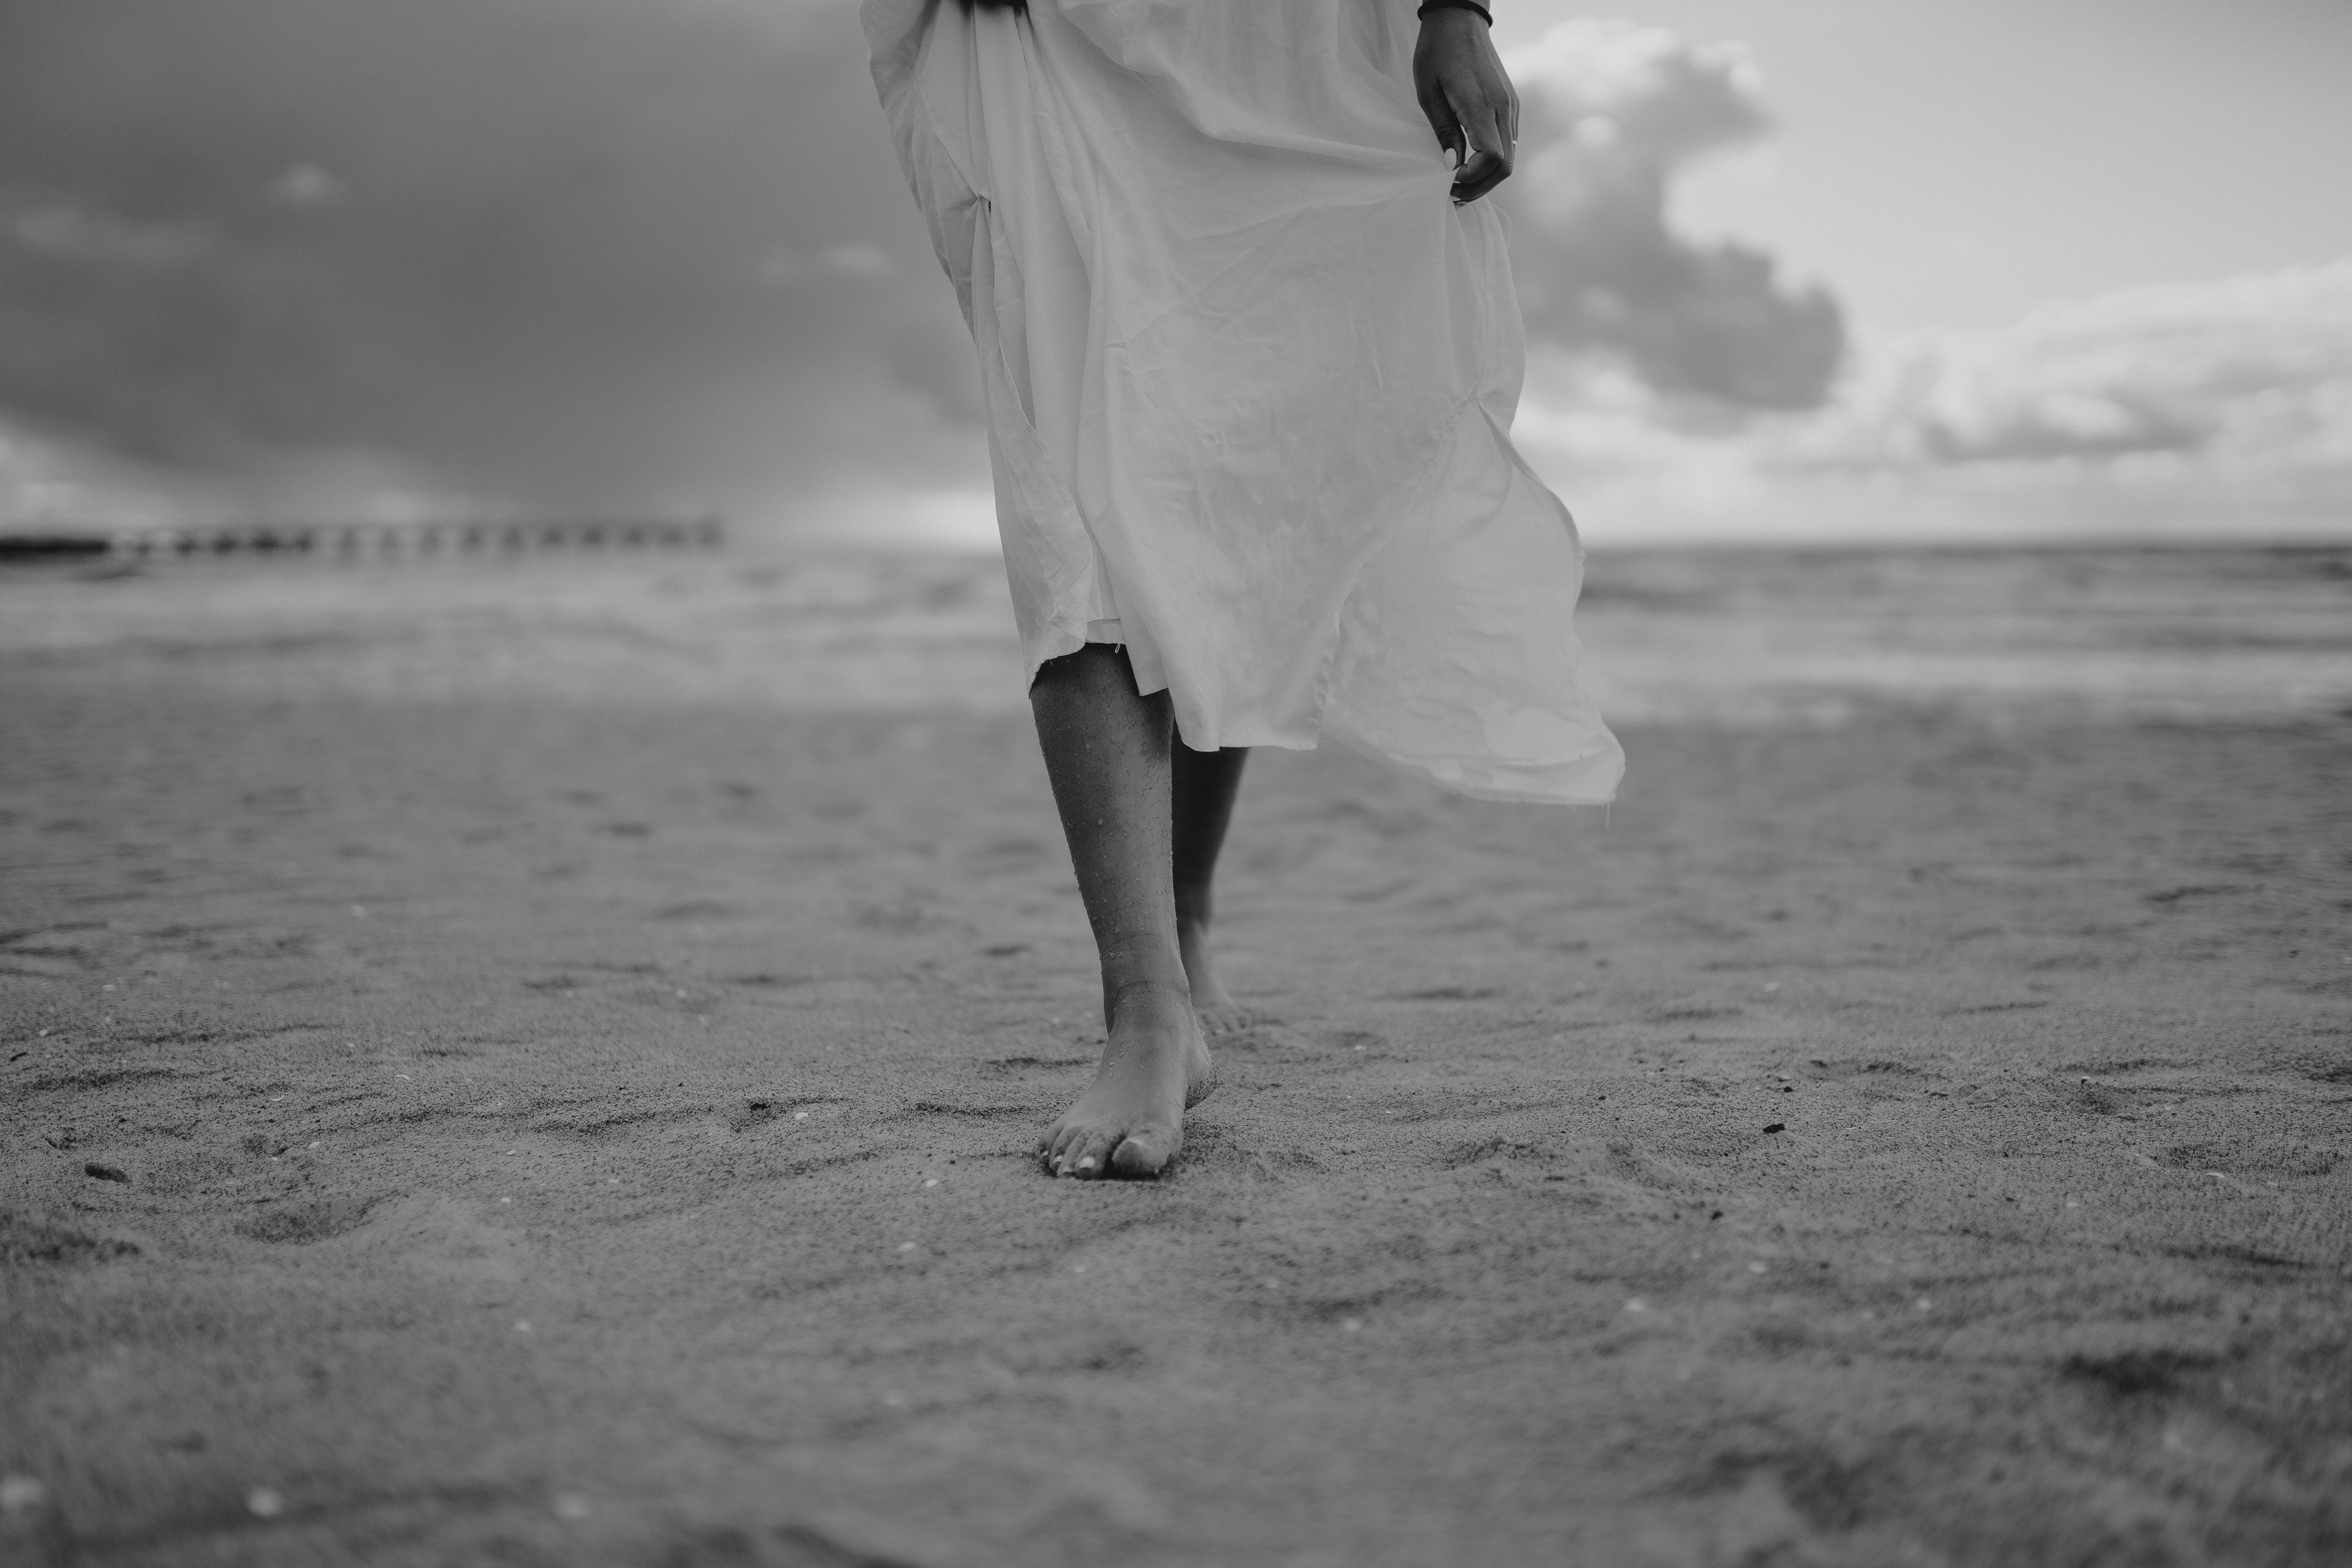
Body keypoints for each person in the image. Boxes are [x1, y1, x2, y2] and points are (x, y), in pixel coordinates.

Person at [862, 0, 1623, 1179]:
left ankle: (1188, 904)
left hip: (1290, 42)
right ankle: (1145, 1005)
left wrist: (1456, 10)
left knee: (1234, 487)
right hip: (1038, 35)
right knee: (1078, 500)